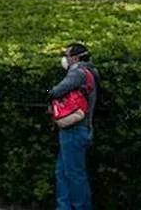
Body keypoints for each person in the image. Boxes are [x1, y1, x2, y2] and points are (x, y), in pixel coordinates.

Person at [50, 43, 99, 210]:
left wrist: (51, 92)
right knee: (63, 172)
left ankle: (79, 207)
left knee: (74, 173)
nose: (65, 58)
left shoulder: (78, 72)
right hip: (77, 128)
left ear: (76, 58)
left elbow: (57, 91)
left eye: (67, 55)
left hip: (74, 128)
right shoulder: (90, 72)